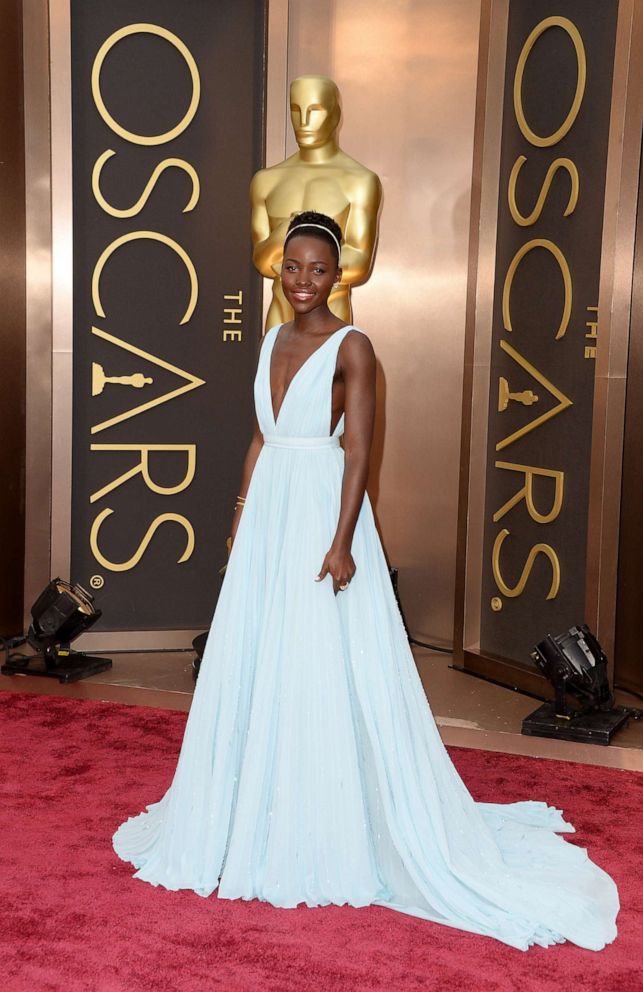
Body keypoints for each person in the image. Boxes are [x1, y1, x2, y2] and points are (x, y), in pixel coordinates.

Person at [113, 211, 619, 953]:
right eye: (292, 267)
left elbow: (357, 455)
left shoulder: (354, 347)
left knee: (322, 655)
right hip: (270, 516)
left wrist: (345, 541)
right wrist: (239, 514)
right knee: (263, 652)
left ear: (339, 274)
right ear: (276, 268)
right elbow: (260, 434)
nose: (303, 282)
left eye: (318, 269)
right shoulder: (270, 340)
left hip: (322, 507)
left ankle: (325, 812)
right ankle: (251, 801)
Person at [250, 75, 382, 329]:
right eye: (296, 110)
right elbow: (262, 262)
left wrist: (291, 259)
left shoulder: (360, 181)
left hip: (331, 315)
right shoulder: (266, 181)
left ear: (335, 114)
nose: (304, 122)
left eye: (315, 111)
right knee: (274, 368)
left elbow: (359, 263)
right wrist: (283, 233)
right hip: (280, 315)